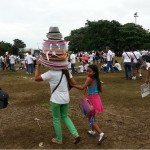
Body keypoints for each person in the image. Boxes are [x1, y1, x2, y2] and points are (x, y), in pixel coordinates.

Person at [34, 61, 81, 145]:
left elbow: (36, 78)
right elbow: (74, 83)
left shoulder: (51, 73)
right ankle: (76, 134)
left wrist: (38, 65)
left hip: (56, 100)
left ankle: (59, 139)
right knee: (65, 116)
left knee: (56, 119)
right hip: (66, 99)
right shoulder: (66, 71)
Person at [72, 64, 106, 144]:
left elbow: (82, 87)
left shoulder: (89, 78)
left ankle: (101, 133)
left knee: (89, 118)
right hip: (96, 98)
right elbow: (98, 89)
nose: (87, 72)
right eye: (87, 70)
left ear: (94, 72)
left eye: (89, 71)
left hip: (92, 99)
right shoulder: (96, 78)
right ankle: (93, 131)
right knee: (92, 116)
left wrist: (73, 85)